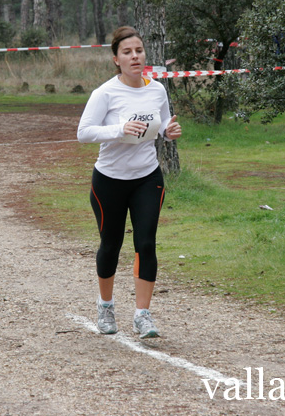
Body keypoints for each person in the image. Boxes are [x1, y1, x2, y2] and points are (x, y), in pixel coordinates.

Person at [77, 26, 182, 338]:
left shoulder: (157, 90)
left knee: (146, 243)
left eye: (138, 51)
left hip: (147, 177)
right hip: (109, 180)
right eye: (127, 52)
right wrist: (119, 129)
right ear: (116, 59)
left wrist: (169, 132)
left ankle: (143, 315)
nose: (135, 56)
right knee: (111, 245)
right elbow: (84, 132)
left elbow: (162, 125)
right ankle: (105, 306)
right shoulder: (105, 93)